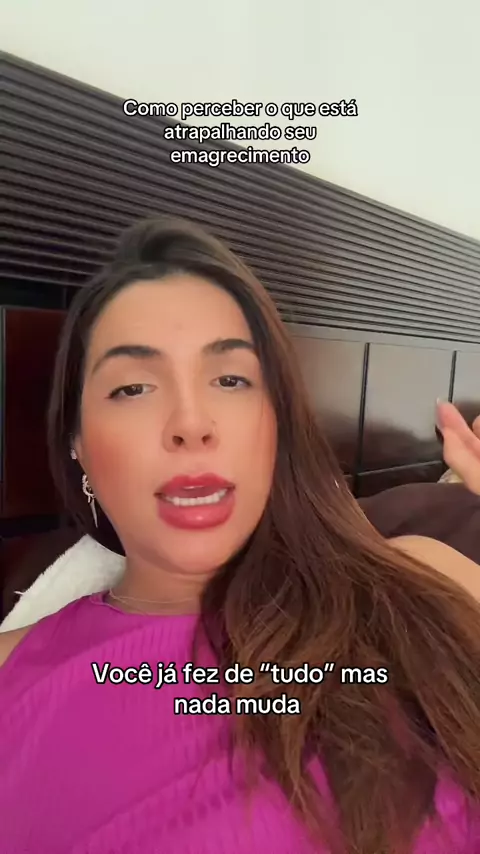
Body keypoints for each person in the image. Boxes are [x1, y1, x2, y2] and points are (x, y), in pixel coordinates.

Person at [0, 217, 478, 854]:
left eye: (231, 380)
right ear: (78, 445)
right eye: (133, 387)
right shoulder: (12, 670)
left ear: (276, 424)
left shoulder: (426, 582)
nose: (191, 423)